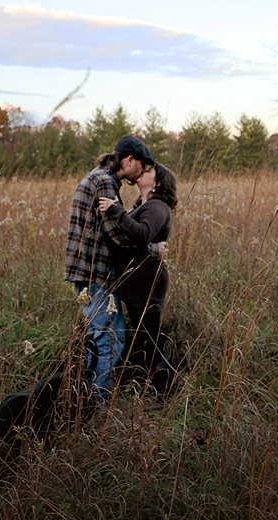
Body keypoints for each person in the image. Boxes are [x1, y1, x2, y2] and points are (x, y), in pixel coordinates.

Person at [64, 135, 162, 400]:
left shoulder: (98, 177)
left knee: (102, 339)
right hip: (94, 274)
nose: (143, 172)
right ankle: (95, 406)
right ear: (129, 160)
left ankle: (84, 399)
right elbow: (116, 234)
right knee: (109, 341)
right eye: (143, 166)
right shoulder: (105, 182)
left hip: (88, 274)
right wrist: (154, 250)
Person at [98, 163, 177, 393]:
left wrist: (115, 210)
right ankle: (148, 389)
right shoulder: (145, 205)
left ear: (158, 182)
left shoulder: (158, 207)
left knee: (152, 344)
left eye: (149, 171)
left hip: (148, 285)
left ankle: (167, 395)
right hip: (137, 285)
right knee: (145, 341)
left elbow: (142, 234)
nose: (143, 171)